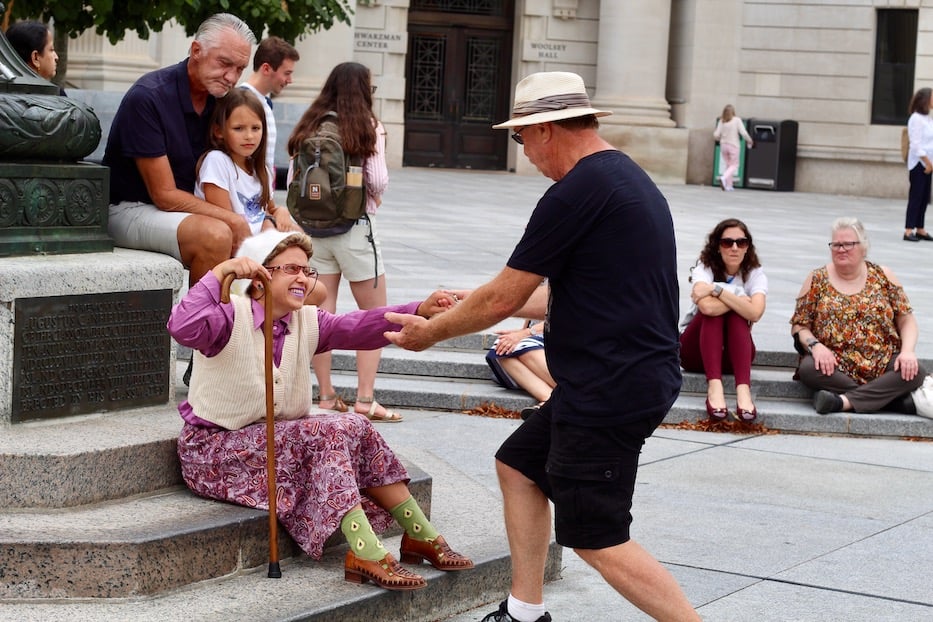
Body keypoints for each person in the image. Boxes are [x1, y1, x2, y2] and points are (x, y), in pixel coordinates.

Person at [385, 72, 700, 622]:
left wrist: (427, 334)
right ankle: (525, 612)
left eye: (521, 137)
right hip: (614, 377)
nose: (525, 152)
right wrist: (468, 296)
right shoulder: (622, 177)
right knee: (519, 466)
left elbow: (503, 299)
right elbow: (562, 292)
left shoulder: (575, 192)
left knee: (597, 538)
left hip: (611, 386)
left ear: (546, 129)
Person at [166, 230, 472, 591]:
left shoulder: (308, 321)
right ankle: (366, 552)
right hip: (216, 454)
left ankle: (421, 536)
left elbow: (361, 325)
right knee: (323, 429)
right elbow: (180, 327)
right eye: (291, 269)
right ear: (261, 276)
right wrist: (222, 272)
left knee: (355, 424)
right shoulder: (227, 319)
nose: (304, 279)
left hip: (273, 447)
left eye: (307, 271)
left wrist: (419, 310)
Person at [102, 13, 256, 288]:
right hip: (128, 209)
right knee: (215, 234)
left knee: (282, 239)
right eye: (224, 63)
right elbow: (164, 195)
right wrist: (232, 218)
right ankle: (198, 327)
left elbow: (245, 170)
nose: (232, 77)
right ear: (196, 51)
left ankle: (248, 324)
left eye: (240, 68)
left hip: (183, 211)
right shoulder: (149, 96)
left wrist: (272, 213)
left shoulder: (221, 101)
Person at [286, 62, 397, 422]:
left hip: (314, 232)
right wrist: (372, 198)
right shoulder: (366, 127)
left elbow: (292, 178)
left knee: (320, 314)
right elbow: (377, 181)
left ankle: (327, 395)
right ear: (363, 90)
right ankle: (365, 398)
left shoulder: (309, 124)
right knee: (374, 316)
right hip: (355, 230)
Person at [791, 217, 926, 414]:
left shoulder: (883, 275)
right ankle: (891, 402)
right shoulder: (817, 278)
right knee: (808, 369)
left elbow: (906, 320)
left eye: (848, 244)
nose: (841, 249)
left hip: (881, 359)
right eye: (836, 244)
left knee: (916, 372)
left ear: (863, 247)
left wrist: (907, 351)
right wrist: (815, 346)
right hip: (834, 363)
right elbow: (799, 325)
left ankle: (841, 402)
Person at [679, 218, 767, 422]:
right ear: (718, 246)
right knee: (716, 314)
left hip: (733, 358)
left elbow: (756, 313)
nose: (734, 248)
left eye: (741, 242)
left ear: (747, 247)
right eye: (727, 242)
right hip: (695, 353)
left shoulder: (755, 273)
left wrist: (715, 290)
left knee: (736, 314)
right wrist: (739, 299)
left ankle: (743, 391)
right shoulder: (705, 267)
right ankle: (714, 388)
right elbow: (707, 307)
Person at [195, 88, 296, 236]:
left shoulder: (262, 170)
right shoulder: (216, 161)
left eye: (255, 128)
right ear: (219, 131)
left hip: (263, 239)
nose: (249, 136)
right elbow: (227, 222)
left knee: (299, 235)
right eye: (239, 128)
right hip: (239, 244)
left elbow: (268, 211)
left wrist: (281, 211)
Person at [240, 36, 299, 184]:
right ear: (266, 68)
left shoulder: (265, 102)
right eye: (287, 73)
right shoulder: (241, 102)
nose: (290, 80)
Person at [486, 320, 555, 420]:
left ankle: (570, 390)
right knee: (502, 347)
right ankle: (549, 399)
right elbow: (530, 323)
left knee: (522, 346)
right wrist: (518, 333)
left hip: (562, 337)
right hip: (539, 335)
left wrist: (524, 333)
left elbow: (559, 318)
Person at [903, 87, 933, 242]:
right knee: (916, 197)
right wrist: (927, 162)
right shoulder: (915, 118)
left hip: (929, 165)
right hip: (919, 164)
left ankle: (920, 228)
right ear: (925, 100)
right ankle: (908, 230)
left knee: (924, 197)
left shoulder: (928, 119)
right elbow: (915, 144)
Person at [5, 20, 64, 93]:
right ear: (35, 57)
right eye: (51, 50)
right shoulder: (54, 96)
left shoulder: (5, 93)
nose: (56, 57)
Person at [713, 104, 753, 192]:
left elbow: (716, 134)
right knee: (734, 165)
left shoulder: (721, 121)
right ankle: (723, 178)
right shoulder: (737, 120)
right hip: (733, 145)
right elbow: (743, 132)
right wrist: (749, 140)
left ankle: (729, 185)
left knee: (728, 165)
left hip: (723, 145)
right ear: (733, 112)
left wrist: (720, 138)